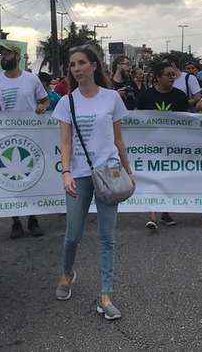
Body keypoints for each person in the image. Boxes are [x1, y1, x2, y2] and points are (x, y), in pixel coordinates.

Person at [52, 45, 133, 321]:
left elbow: (119, 139)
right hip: (79, 176)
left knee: (107, 238)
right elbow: (64, 141)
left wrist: (128, 170)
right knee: (72, 234)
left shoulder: (111, 98)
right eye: (72, 64)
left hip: (109, 172)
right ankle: (67, 273)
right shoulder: (66, 102)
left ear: (94, 66)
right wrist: (65, 172)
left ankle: (105, 295)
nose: (77, 68)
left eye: (82, 63)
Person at [0, 43, 49, 238]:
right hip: (6, 138)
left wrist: (42, 107)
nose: (3, 57)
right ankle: (15, 220)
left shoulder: (32, 79)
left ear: (17, 55)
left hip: (30, 136)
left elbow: (45, 100)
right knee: (10, 177)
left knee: (30, 176)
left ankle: (32, 218)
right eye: (1, 54)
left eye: (6, 53)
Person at [136, 61, 187, 229]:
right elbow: (137, 119)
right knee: (152, 177)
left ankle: (165, 212)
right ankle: (152, 216)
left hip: (173, 145)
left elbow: (187, 121)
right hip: (150, 145)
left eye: (174, 75)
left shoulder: (180, 96)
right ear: (158, 77)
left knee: (167, 177)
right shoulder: (145, 96)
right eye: (168, 75)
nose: (173, 78)